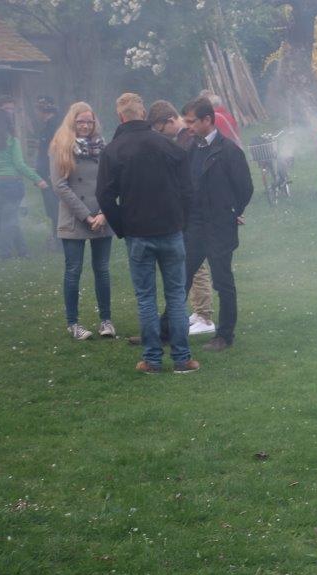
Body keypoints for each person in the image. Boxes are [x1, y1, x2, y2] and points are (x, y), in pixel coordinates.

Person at [95, 92, 197, 374]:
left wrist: (122, 226)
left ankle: (152, 360)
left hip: (138, 233)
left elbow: (104, 196)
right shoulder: (169, 147)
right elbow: (188, 191)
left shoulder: (113, 151)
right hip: (171, 230)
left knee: (146, 298)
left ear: (120, 117)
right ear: (143, 113)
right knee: (176, 295)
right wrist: (182, 221)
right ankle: (182, 359)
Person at [179, 96, 254, 352]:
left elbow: (245, 188)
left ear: (207, 120)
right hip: (194, 225)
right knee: (181, 278)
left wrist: (231, 212)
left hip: (219, 227)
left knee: (222, 281)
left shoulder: (229, 151)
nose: (188, 126)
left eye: (192, 122)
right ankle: (168, 330)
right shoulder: (191, 148)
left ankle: (224, 335)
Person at [49, 102, 115, 341]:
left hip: (101, 216)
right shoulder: (61, 146)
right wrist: (86, 215)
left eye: (89, 121)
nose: (85, 126)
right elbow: (60, 186)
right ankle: (73, 323)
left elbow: (111, 182)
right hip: (75, 218)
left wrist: (103, 213)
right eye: (81, 122)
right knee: (73, 270)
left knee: (102, 269)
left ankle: (106, 320)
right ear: (72, 122)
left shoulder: (103, 147)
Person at [148, 99, 214, 337]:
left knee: (197, 265)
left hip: (194, 212)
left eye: (158, 129)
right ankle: (195, 311)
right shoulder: (183, 138)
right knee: (190, 264)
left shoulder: (187, 139)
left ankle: (204, 315)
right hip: (185, 211)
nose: (158, 134)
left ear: (168, 122)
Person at [0, 107, 48, 259]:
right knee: (8, 220)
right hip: (10, 184)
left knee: (10, 218)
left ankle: (23, 251)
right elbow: (19, 165)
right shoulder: (12, 140)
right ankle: (4, 253)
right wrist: (38, 179)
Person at [35, 96, 62, 252]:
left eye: (38, 109)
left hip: (52, 174)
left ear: (43, 110)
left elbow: (53, 153)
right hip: (46, 174)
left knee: (55, 208)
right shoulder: (47, 126)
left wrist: (51, 173)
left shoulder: (54, 127)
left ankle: (60, 242)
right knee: (53, 209)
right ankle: (57, 240)